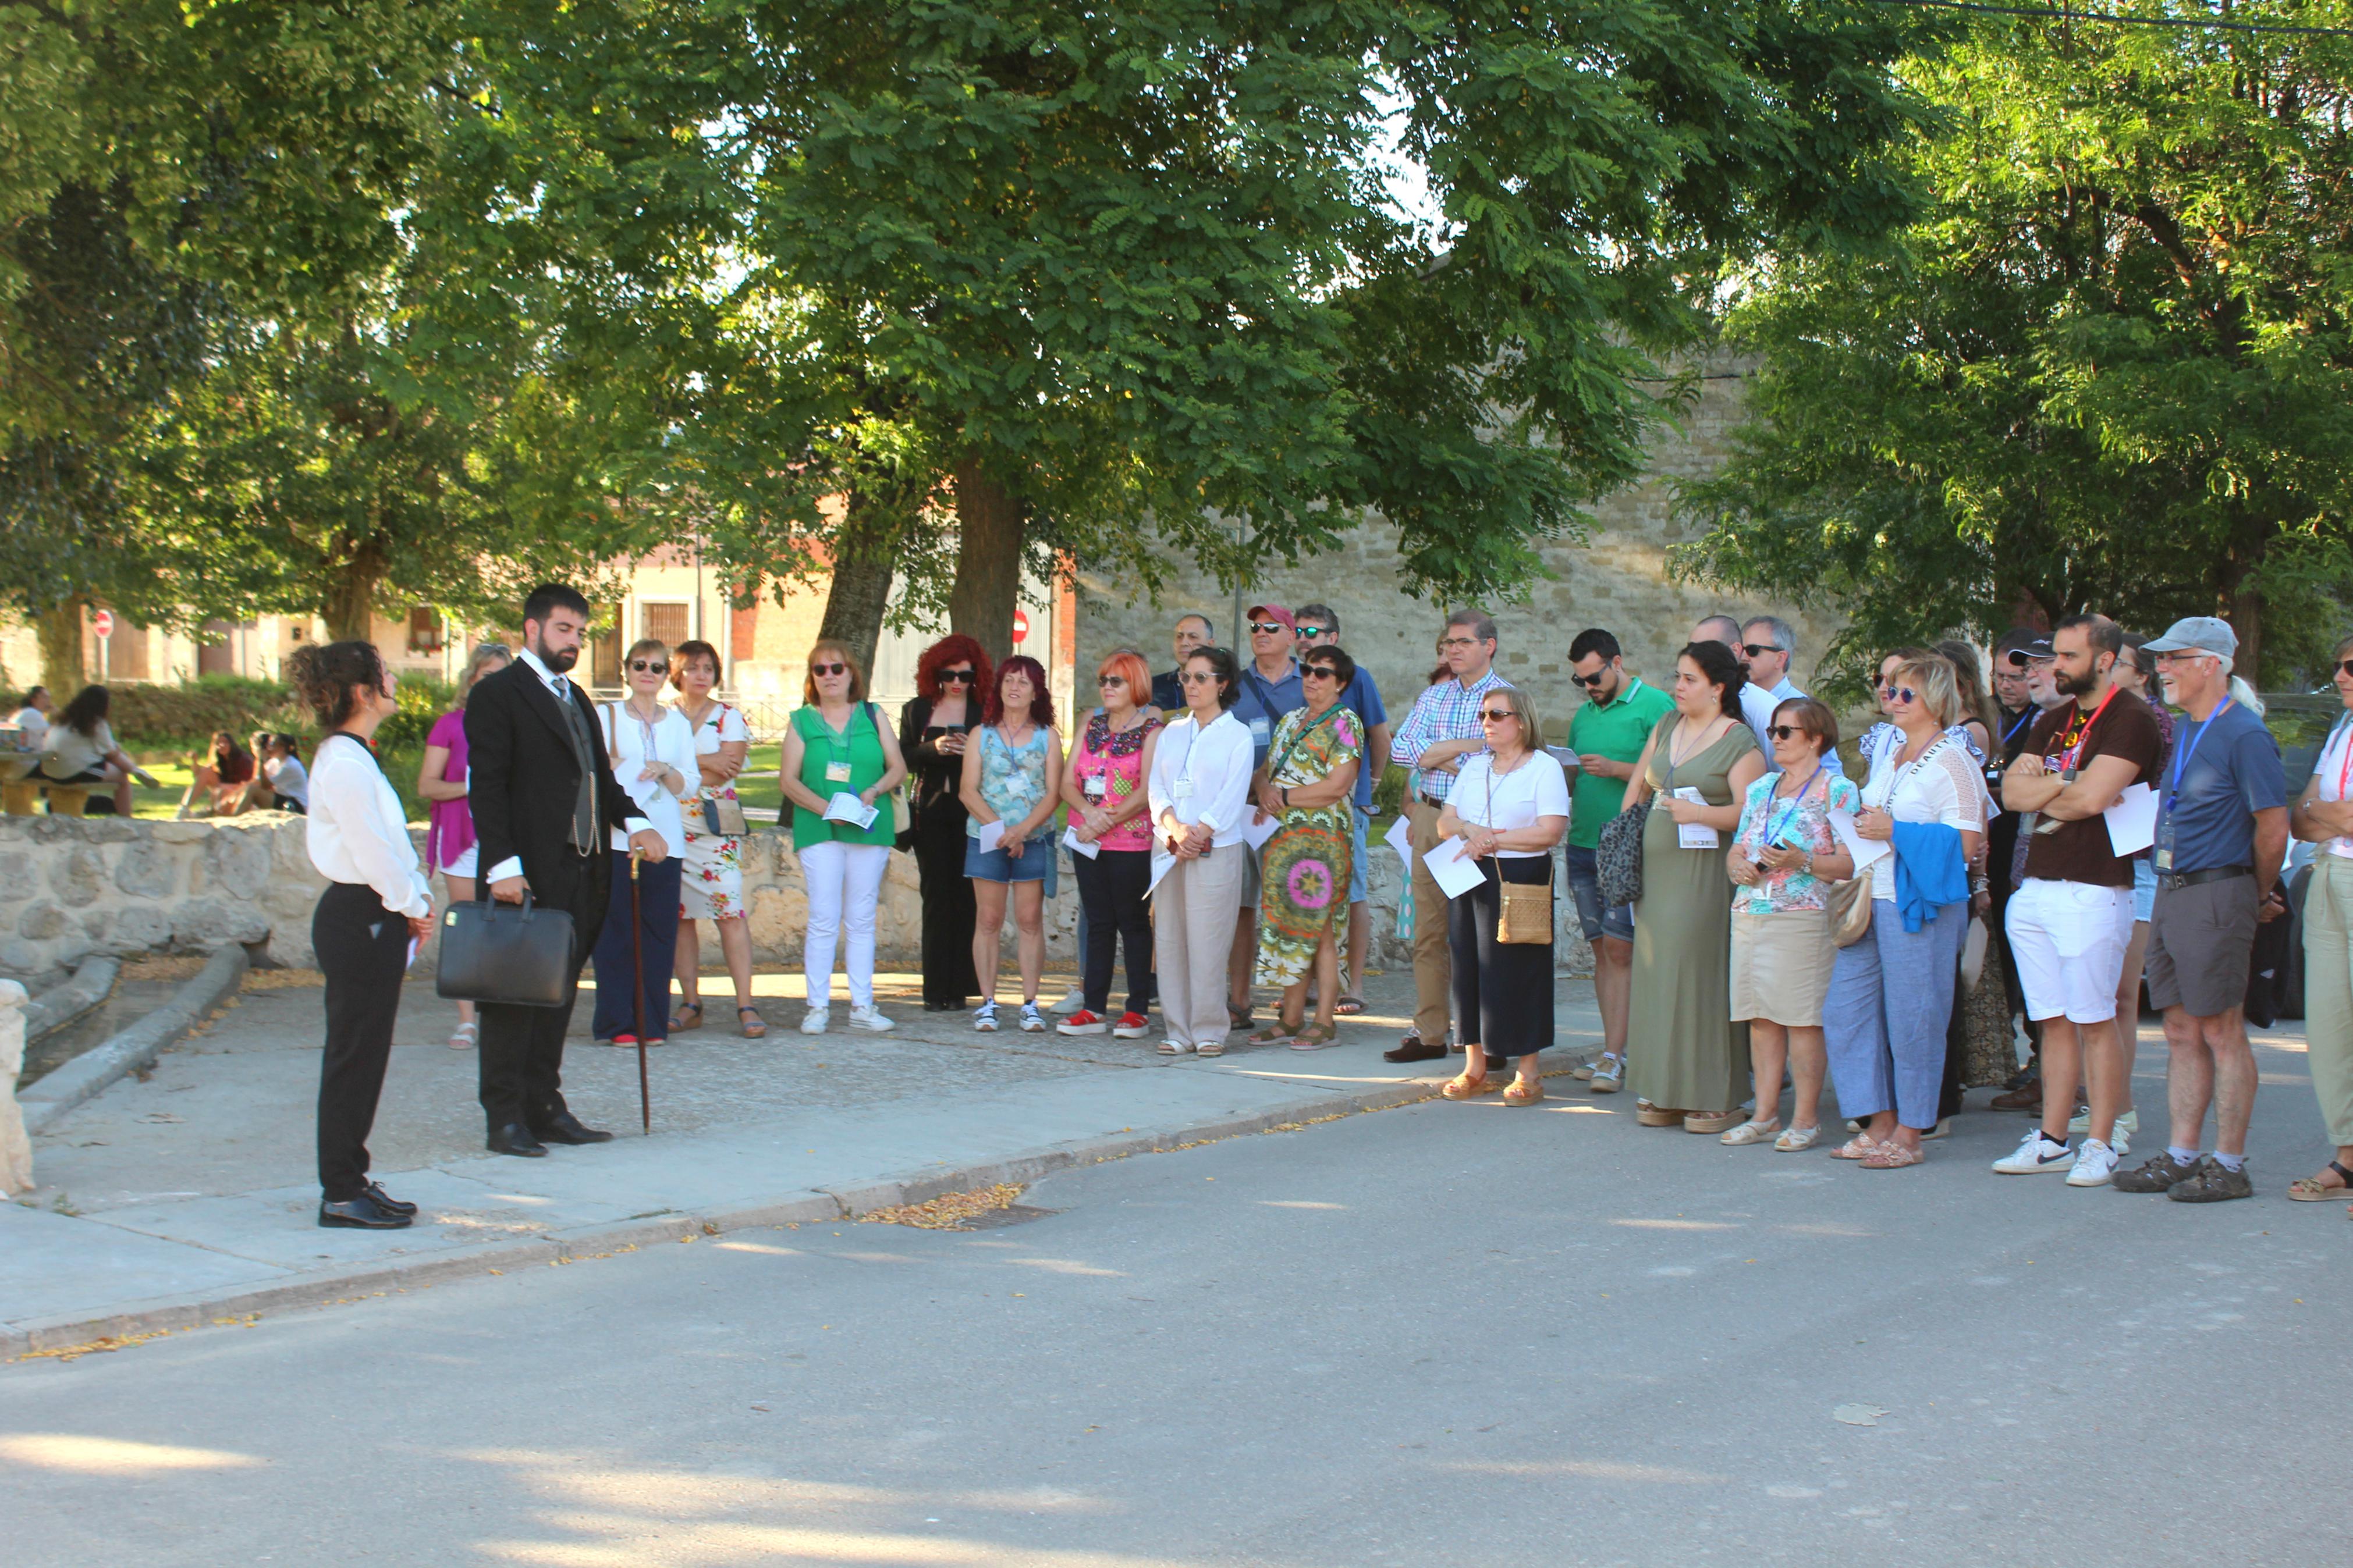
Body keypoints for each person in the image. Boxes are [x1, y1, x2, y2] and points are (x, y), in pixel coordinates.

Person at [470, 584, 667, 1158]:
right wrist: (503, 865)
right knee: (513, 998)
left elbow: (599, 781)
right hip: (526, 871)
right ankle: (503, 1118)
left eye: (580, 632)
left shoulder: (577, 697)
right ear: (531, 629)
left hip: (585, 868)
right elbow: (488, 785)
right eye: (564, 630)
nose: (574, 641)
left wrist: (635, 824)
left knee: (556, 993)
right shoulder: (497, 694)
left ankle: (545, 1107)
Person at [2114, 617, 2289, 1203]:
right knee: (2179, 1026)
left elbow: (2272, 827)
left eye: (2172, 658)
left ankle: (2229, 1163)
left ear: (2210, 663)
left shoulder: (2242, 732)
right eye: (2157, 659)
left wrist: (2252, 891)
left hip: (2216, 889)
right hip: (2171, 886)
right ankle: (2183, 1154)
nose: (2160, 669)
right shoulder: (2186, 728)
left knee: (2219, 1028)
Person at [1991, 615, 2166, 1186]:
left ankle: (2100, 1141)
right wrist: (2067, 787)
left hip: (2095, 887)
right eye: (2052, 658)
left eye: (2066, 657)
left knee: (2095, 1020)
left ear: (2105, 659)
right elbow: (2013, 794)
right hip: (2036, 886)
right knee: (2051, 1021)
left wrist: (2058, 789)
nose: (2053, 668)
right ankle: (2051, 1139)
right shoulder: (2051, 719)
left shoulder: (2131, 719)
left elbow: (2093, 797)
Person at [289, 640, 433, 1229]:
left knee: (362, 1054)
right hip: (362, 914)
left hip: (370, 914)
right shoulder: (346, 763)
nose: (393, 678)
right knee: (355, 1055)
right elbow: (373, 851)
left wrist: (408, 903)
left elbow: (383, 843)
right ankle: (341, 1190)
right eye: (383, 673)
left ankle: (350, 1177)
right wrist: (412, 903)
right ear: (361, 692)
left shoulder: (349, 756)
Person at [1823, 653, 1984, 1169]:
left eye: (1904, 693)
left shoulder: (1954, 761)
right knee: (1846, 1010)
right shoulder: (1891, 750)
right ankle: (1880, 1118)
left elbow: (1966, 843)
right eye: (1889, 690)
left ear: (1935, 702)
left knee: (1915, 1018)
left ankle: (1913, 1129)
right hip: (1871, 895)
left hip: (1918, 905)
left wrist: (1894, 831)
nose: (1891, 699)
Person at [1619, 642, 1765, 1127]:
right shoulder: (1666, 725)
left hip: (1704, 872)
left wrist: (1700, 813)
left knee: (1699, 974)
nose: (1677, 687)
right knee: (1656, 970)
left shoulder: (1738, 740)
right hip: (1656, 872)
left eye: (1688, 679)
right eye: (1677, 676)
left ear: (1717, 688)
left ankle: (1715, 1091)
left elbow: (1753, 813)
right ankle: (1663, 1088)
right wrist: (1625, 838)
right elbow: (1640, 782)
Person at [1722, 697, 1860, 1149]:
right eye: (1773, 731)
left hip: (1803, 915)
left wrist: (1802, 860)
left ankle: (1804, 1119)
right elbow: (1739, 845)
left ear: (1816, 737)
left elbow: (1851, 863)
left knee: (1801, 1020)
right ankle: (1763, 1114)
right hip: (1750, 911)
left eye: (1786, 731)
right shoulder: (1762, 787)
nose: (1775, 739)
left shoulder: (1837, 790)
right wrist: (1735, 864)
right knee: (1759, 1017)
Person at [1385, 608, 1513, 1065]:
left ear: (1488, 646)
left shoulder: (1505, 698)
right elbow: (1401, 750)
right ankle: (1431, 1032)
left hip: (1477, 827)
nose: (1453, 649)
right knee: (1430, 931)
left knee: (1479, 934)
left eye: (1463, 642)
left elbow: (1498, 752)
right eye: (1449, 642)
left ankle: (1484, 1036)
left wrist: (1432, 754)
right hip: (1428, 817)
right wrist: (1460, 747)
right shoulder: (1434, 696)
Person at [1434, 685, 1569, 1102]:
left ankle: (1528, 1071)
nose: (1486, 724)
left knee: (1520, 967)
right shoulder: (1476, 767)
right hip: (1470, 872)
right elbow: (1445, 822)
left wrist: (1491, 838)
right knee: (1469, 966)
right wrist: (1469, 832)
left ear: (1521, 721)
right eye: (1483, 715)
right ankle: (1474, 1063)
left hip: (1519, 873)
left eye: (1496, 715)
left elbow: (1550, 829)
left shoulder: (1543, 767)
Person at [1563, 628, 1674, 1089]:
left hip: (1628, 844)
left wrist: (1616, 769)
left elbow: (1671, 772)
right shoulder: (1583, 715)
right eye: (1579, 681)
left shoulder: (1656, 706)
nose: (1588, 687)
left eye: (1593, 677)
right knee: (1600, 951)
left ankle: (1617, 1053)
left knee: (1621, 949)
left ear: (1617, 662)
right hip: (1583, 842)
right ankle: (1614, 1047)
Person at [782, 640, 907, 1035]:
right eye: (820, 670)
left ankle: (862, 1005)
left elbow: (898, 767)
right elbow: (788, 780)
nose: (829, 676)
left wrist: (872, 791)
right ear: (812, 678)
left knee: (861, 918)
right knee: (823, 916)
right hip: (820, 827)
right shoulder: (801, 720)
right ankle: (817, 1006)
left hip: (868, 824)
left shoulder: (873, 715)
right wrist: (826, 808)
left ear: (852, 673)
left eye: (837, 668)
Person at [1247, 645, 1364, 1050]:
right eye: (1308, 671)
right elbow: (1266, 770)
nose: (1312, 679)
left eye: (1323, 673)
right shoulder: (1292, 720)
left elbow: (1337, 785)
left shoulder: (1346, 722)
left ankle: (1324, 1020)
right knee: (1288, 929)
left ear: (1341, 683)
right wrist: (1264, 789)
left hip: (1322, 842)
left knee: (1322, 932)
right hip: (1283, 842)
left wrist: (1284, 796)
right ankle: (1290, 1018)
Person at [588, 639, 697, 1048]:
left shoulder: (678, 724)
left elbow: (691, 785)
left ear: (667, 674)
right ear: (626, 670)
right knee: (615, 931)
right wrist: (630, 766)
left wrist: (666, 770)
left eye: (656, 666)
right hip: (618, 837)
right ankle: (617, 1022)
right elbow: (594, 768)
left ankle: (651, 1021)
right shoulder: (608, 715)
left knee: (657, 932)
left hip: (666, 839)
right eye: (639, 665)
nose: (647, 672)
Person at [1147, 645, 1255, 1056]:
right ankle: (1176, 1028)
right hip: (1170, 845)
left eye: (1200, 678)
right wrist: (1173, 826)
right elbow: (1156, 786)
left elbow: (1233, 794)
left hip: (1216, 848)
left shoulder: (1237, 735)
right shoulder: (1172, 732)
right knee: (1171, 938)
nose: (1190, 685)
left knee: (1209, 940)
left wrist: (1202, 830)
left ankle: (1209, 1027)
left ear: (1222, 684)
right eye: (1185, 677)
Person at [1058, 649, 1162, 1038]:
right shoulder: (1089, 723)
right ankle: (1093, 1008)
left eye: (1115, 680)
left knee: (1133, 923)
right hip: (1087, 839)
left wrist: (1105, 820)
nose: (1106, 687)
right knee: (1098, 922)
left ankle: (1136, 1010)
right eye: (1103, 679)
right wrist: (1088, 813)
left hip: (1129, 843)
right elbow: (1068, 782)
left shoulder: (1152, 731)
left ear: (1135, 684)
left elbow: (1147, 788)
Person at [1293, 604, 1389, 1015]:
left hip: (1348, 806)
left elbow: (1379, 735)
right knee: (1307, 893)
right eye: (1298, 630)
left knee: (1352, 894)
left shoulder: (1357, 678)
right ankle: (1310, 986)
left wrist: (1373, 782)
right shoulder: (1294, 679)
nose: (1304, 637)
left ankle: (1354, 984)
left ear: (1333, 636)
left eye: (1313, 630)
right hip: (1300, 811)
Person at [960, 653, 1063, 1034]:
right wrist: (1002, 831)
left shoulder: (1047, 736)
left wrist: (1021, 832)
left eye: (1023, 681)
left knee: (1029, 920)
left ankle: (1030, 1003)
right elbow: (967, 791)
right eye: (1008, 680)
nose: (1014, 687)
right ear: (998, 687)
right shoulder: (980, 734)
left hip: (1034, 838)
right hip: (987, 835)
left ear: (1036, 690)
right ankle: (987, 1003)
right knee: (987, 920)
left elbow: (1054, 794)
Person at [668, 639, 764, 1039]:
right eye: (692, 667)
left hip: (714, 829)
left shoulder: (728, 716)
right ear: (677, 672)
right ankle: (691, 1002)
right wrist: (702, 761)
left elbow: (728, 767)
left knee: (730, 913)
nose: (701, 674)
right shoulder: (663, 716)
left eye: (708, 667)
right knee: (680, 918)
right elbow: (650, 767)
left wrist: (679, 766)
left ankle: (745, 1002)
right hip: (671, 828)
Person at [419, 642, 513, 1051]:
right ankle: (466, 1019)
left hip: (508, 837)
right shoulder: (450, 724)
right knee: (466, 925)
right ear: (472, 678)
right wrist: (473, 788)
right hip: (461, 837)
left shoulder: (518, 726)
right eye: (489, 675)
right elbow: (427, 785)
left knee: (507, 925)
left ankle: (503, 1012)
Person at [2290, 632, 2353, 1207]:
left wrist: (2323, 814)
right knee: (2328, 1025)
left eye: (2349, 666)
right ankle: (2347, 1155)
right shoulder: (2340, 729)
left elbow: (2318, 811)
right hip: (2328, 873)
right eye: (2336, 666)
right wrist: (2333, 817)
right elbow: (2299, 818)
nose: (2338, 677)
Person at [901, 635, 990, 1012]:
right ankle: (935, 989)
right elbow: (902, 757)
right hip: (930, 815)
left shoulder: (983, 711)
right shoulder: (917, 710)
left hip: (972, 815)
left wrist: (967, 751)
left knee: (968, 899)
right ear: (934, 673)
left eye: (964, 675)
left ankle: (961, 988)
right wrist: (932, 750)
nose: (956, 682)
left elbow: (996, 758)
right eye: (948, 674)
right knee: (936, 899)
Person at [1229, 603, 1306, 1027]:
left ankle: (1293, 1005)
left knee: (1290, 907)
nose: (1260, 632)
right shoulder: (1235, 686)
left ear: (1291, 635)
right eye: (1255, 627)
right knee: (1241, 907)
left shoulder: (1309, 682)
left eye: (1270, 627)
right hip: (1239, 810)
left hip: (1292, 813)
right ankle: (1238, 1001)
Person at [38, 685, 152, 816]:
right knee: (122, 778)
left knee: (111, 761)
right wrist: (118, 753)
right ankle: (126, 816)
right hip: (72, 772)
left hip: (51, 771)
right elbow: (111, 755)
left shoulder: (62, 720)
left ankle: (135, 770)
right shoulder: (96, 722)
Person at [176, 730, 256, 819]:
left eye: (226, 742)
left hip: (241, 793)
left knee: (219, 791)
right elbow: (199, 777)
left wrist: (222, 787)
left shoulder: (243, 759)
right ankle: (184, 808)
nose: (222, 745)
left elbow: (248, 784)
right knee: (206, 772)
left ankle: (211, 811)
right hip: (222, 790)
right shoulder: (218, 759)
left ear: (232, 744)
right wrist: (194, 762)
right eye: (219, 743)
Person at [1152, 614, 1215, 713]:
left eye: (1193, 637)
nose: (1184, 643)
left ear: (1210, 644)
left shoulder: (1221, 686)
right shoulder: (1154, 687)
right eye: (1179, 637)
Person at [260, 734, 308, 815]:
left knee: (253, 791)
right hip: (284, 800)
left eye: (271, 745)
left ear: (282, 748)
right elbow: (257, 780)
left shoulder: (291, 765)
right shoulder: (274, 762)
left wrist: (260, 760)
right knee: (249, 789)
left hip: (296, 806)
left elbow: (265, 785)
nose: (267, 748)